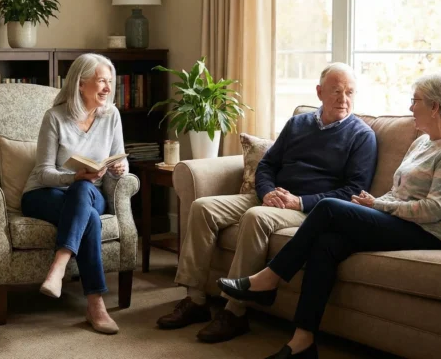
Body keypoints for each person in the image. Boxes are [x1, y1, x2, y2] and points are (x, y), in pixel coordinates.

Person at [218, 69, 441, 359]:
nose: (410, 107)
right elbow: (399, 192)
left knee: (329, 207)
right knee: (326, 243)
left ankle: (270, 278)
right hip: (401, 219)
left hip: (431, 233)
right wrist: (374, 202)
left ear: (435, 106)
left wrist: (377, 206)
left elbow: (434, 209)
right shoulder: (423, 141)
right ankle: (302, 343)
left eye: (415, 100)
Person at [157, 63, 379, 343]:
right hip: (271, 195)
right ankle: (195, 301)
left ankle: (234, 311)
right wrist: (266, 191)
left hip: (307, 209)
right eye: (336, 91)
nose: (343, 99)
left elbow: (353, 191)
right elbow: (268, 164)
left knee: (256, 217)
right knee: (203, 207)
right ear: (319, 92)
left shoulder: (362, 136)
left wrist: (299, 201)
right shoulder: (299, 123)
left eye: (349, 92)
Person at [21, 53, 128, 335]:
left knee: (83, 190)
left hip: (90, 193)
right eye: (101, 81)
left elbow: (120, 160)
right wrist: (74, 176)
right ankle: (96, 305)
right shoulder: (55, 117)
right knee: (90, 218)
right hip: (44, 194)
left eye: (109, 81)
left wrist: (119, 166)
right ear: (81, 84)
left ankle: (59, 265)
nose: (107, 87)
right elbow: (43, 172)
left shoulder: (112, 116)